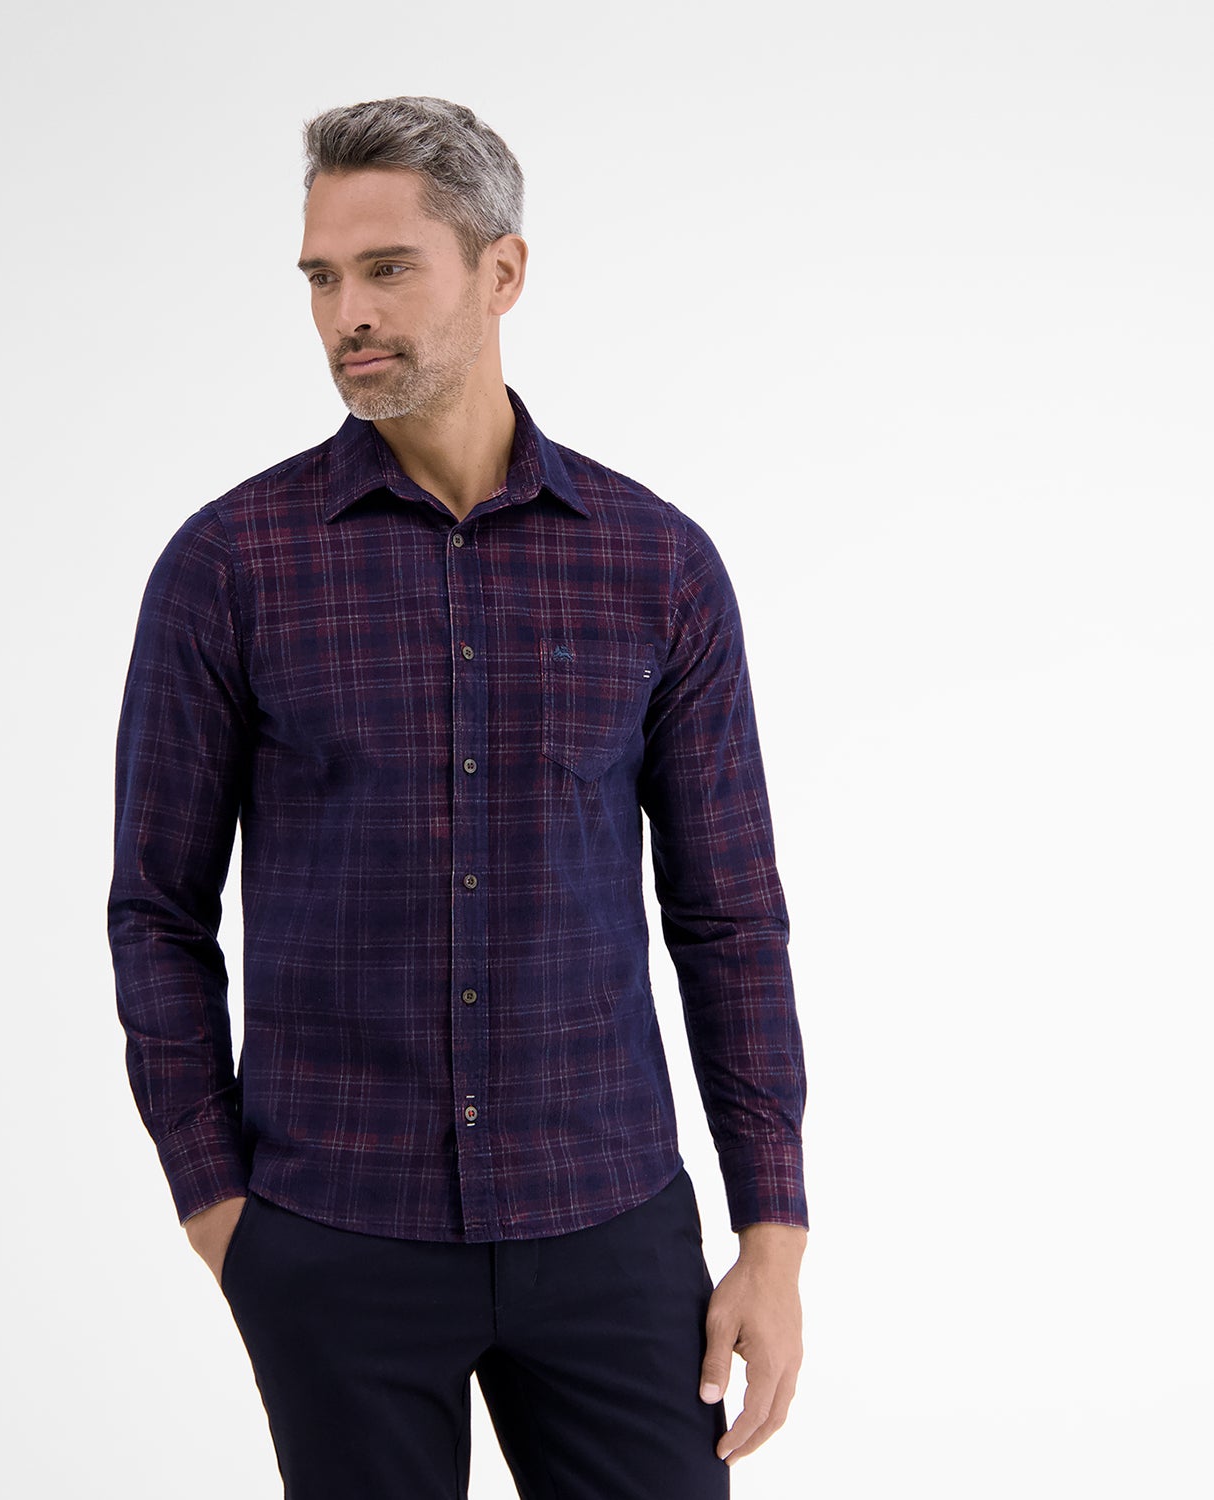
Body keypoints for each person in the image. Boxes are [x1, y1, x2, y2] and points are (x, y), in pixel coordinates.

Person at [107, 94, 808, 1499]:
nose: (347, 314)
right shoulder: (231, 567)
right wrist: (220, 1209)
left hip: (610, 1224)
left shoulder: (655, 564)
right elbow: (158, 915)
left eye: (387, 269)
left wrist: (771, 1234)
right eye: (322, 278)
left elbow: (729, 915)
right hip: (332, 1234)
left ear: (502, 272)